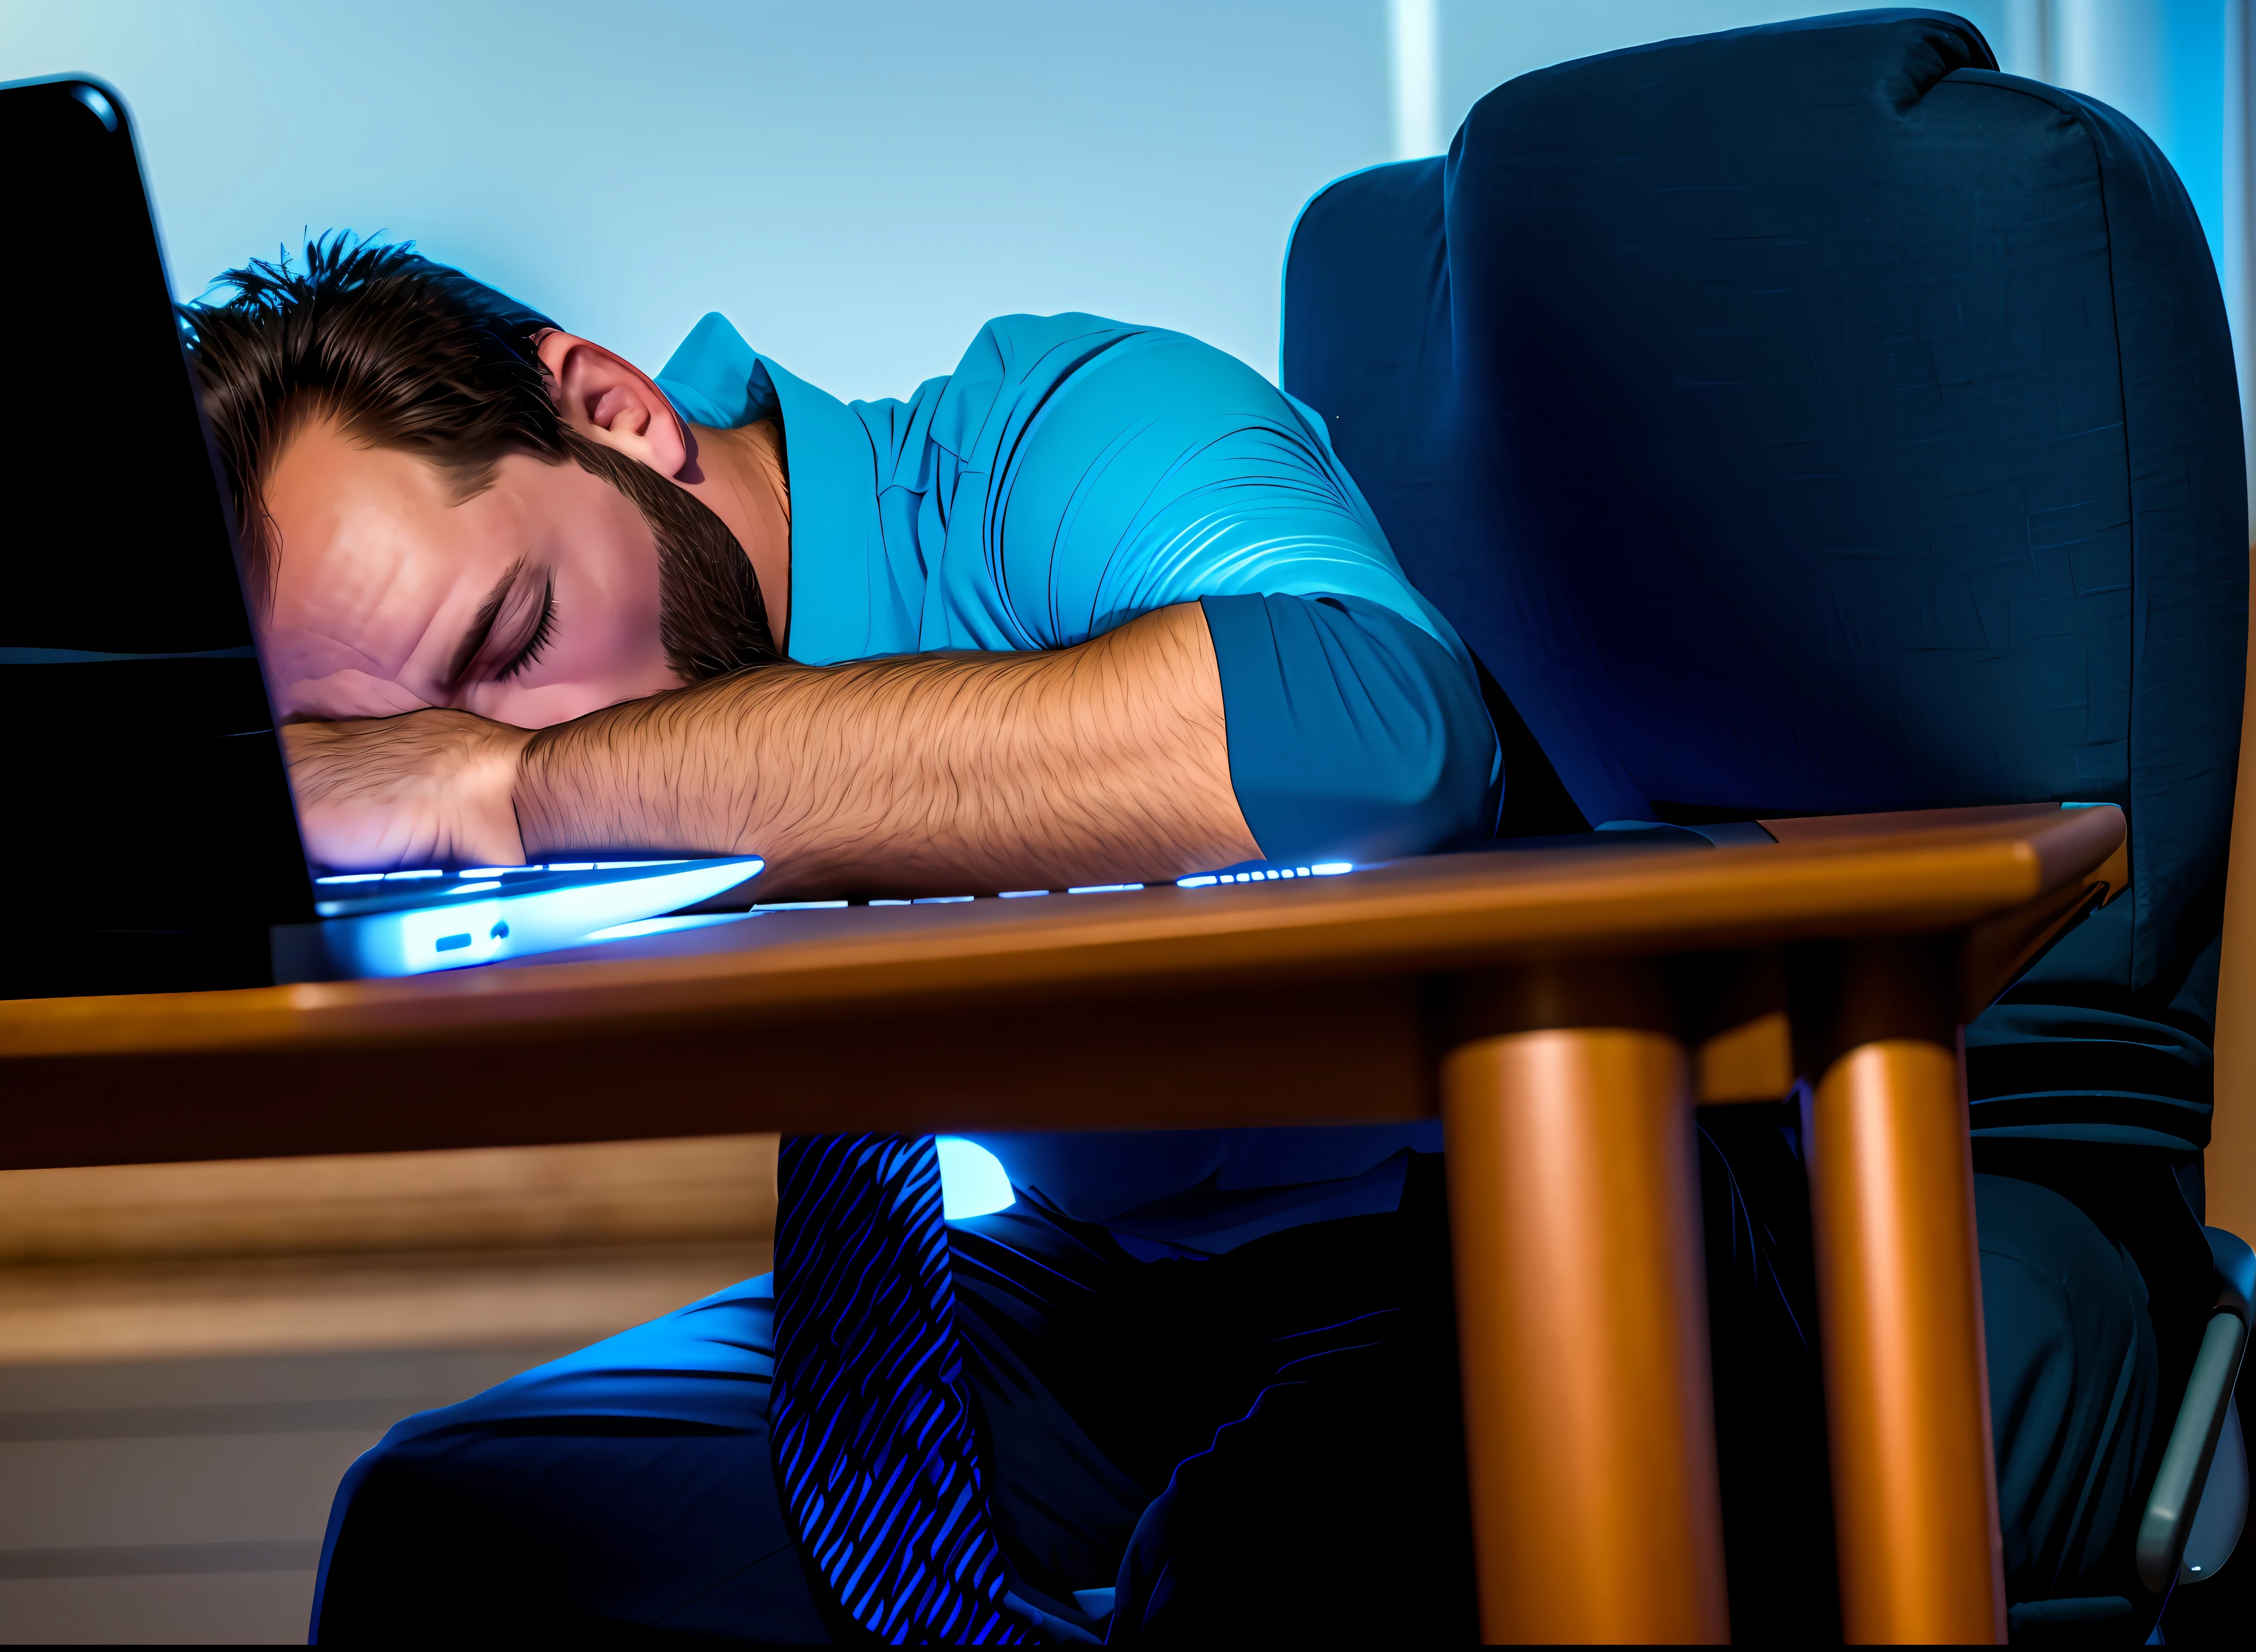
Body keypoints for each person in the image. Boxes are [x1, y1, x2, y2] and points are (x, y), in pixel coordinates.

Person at [183, 240, 2150, 1643]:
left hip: (1555, 1227)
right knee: (453, 1541)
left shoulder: (1054, 431)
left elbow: (1363, 725)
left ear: (614, 414)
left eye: (512, 646)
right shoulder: (519, 753)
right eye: (397, 738)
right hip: (1116, 1290)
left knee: (1273, 1572)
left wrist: (521, 790)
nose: (490, 748)